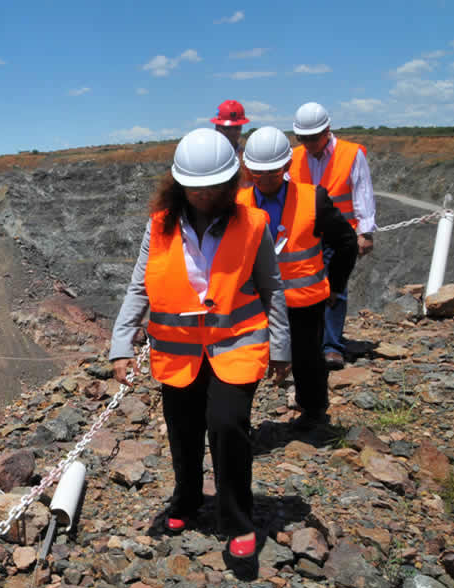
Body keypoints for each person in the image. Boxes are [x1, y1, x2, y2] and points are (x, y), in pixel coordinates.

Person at [109, 128, 291, 559]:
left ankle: (238, 519)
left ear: (230, 183)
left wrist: (282, 348)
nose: (203, 195)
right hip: (179, 353)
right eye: (195, 187)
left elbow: (273, 287)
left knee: (228, 427)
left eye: (213, 187)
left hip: (237, 346)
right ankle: (187, 499)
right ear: (179, 184)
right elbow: (140, 288)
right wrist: (121, 343)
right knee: (183, 430)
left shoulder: (253, 225)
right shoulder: (159, 226)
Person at [238, 127, 358, 430]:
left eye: (271, 172)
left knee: (308, 360)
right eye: (257, 172)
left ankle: (314, 411)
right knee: (245, 360)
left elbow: (346, 242)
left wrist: (336, 285)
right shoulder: (237, 204)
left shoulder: (312, 199)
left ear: (287, 166)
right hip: (255, 303)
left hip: (304, 302)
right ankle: (236, 422)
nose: (263, 179)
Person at [287, 102, 376, 370]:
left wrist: (366, 232)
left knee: (336, 287)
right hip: (306, 234)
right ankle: (307, 342)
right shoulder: (295, 157)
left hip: (341, 235)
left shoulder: (350, 154)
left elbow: (363, 193)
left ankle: (332, 346)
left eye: (313, 137)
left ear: (327, 130)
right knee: (305, 288)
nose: (309, 143)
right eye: (303, 138)